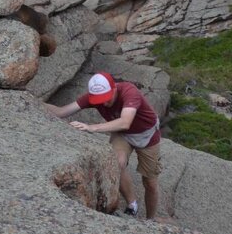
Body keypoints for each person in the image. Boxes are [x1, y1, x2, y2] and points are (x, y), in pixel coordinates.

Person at [46, 73, 162, 219]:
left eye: (106, 98)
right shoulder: (94, 97)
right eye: (99, 100)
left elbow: (125, 121)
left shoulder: (129, 92)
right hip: (122, 134)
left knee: (150, 182)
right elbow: (61, 111)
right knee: (116, 162)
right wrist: (30, 100)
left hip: (147, 135)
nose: (103, 103)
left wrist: (92, 127)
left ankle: (150, 220)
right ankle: (132, 204)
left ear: (114, 89)